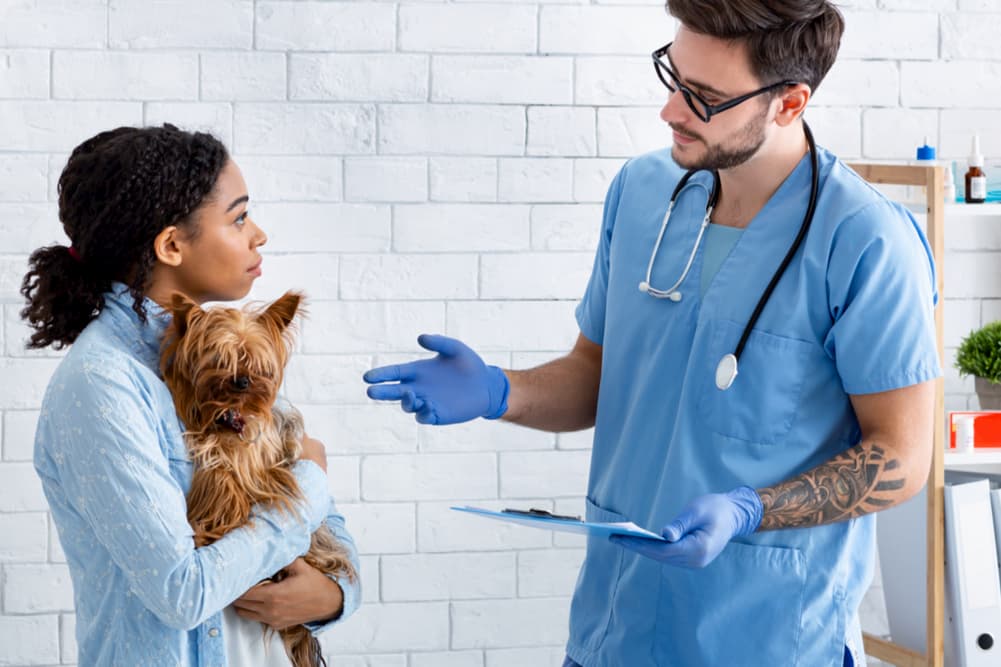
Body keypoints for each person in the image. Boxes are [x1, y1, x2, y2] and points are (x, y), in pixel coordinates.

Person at [363, 2, 939, 666]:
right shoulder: (641, 192)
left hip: (768, 639)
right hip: (614, 630)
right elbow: (600, 376)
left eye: (704, 98)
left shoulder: (865, 240)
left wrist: (749, 509)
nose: (671, 111)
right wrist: (499, 390)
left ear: (788, 103)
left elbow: (899, 457)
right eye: (673, 77)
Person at [24, 124, 360, 666]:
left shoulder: (226, 356)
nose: (260, 236)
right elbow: (183, 592)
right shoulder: (102, 387)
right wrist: (312, 484)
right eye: (239, 217)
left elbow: (328, 540)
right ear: (172, 245)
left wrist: (335, 597)